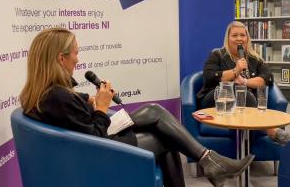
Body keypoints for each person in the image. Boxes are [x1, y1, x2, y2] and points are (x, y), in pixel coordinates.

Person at [19, 28, 253, 187]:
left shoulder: (42, 92)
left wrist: (89, 100)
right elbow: (95, 136)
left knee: (153, 111)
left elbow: (71, 109)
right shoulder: (57, 96)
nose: (78, 60)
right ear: (61, 59)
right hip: (98, 152)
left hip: (85, 147)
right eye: (76, 53)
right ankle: (212, 162)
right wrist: (101, 107)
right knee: (165, 138)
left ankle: (210, 162)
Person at [197, 21, 290, 144]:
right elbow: (210, 77)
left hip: (246, 105)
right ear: (227, 38)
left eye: (242, 35)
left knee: (242, 89)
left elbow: (267, 79)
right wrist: (235, 70)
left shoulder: (254, 58)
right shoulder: (217, 54)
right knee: (236, 88)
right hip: (216, 101)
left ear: (247, 38)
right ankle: (271, 131)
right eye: (234, 35)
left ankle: (253, 136)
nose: (239, 39)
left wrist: (244, 81)